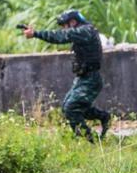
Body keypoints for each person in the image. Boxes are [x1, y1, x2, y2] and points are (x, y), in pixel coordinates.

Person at [23, 10, 110, 142]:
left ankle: (88, 141)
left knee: (71, 108)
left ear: (73, 22)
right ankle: (103, 117)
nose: (63, 29)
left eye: (64, 26)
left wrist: (35, 34)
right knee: (68, 107)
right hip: (83, 77)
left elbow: (61, 37)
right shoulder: (81, 31)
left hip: (91, 78)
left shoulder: (85, 31)